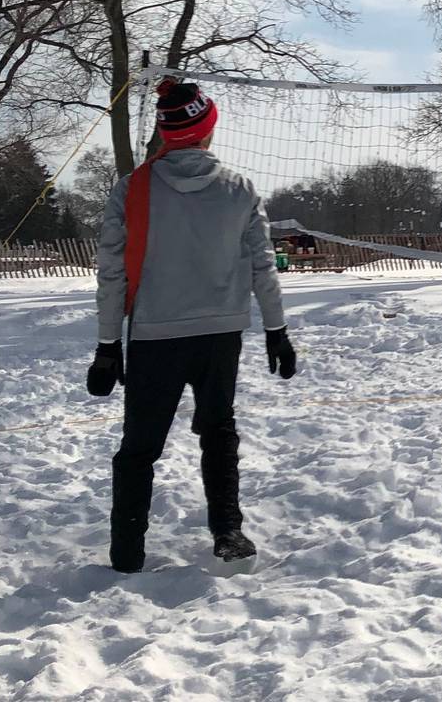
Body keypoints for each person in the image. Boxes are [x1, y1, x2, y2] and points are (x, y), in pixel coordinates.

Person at [87, 78, 299, 573]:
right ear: (207, 128)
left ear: (165, 133)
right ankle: (228, 531)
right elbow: (262, 265)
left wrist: (105, 344)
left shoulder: (133, 188)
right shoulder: (239, 188)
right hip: (220, 335)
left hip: (154, 336)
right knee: (218, 430)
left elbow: (111, 272)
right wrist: (276, 329)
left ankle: (126, 552)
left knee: (139, 447)